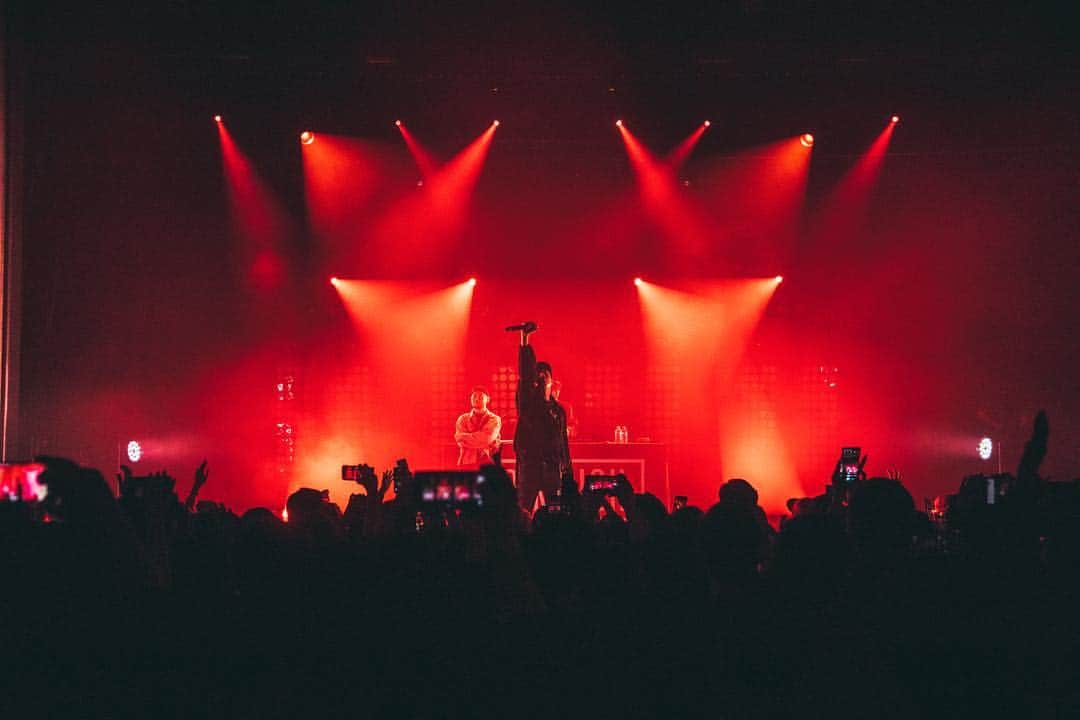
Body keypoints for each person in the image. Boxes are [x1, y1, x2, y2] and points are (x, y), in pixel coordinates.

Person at [511, 322, 572, 509]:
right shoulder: (528, 403)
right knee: (525, 508)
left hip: (552, 468)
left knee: (554, 510)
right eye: (539, 372)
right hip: (530, 467)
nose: (543, 375)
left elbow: (563, 441)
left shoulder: (558, 410)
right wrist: (525, 340)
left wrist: (567, 467)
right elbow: (525, 375)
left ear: (552, 380)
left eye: (546, 373)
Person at [454, 386, 502, 467]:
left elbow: (487, 438)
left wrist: (464, 437)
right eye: (474, 396)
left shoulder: (494, 419)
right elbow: (460, 442)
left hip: (488, 461)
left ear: (488, 399)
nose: (476, 399)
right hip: (466, 462)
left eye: (480, 396)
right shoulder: (462, 419)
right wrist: (483, 442)